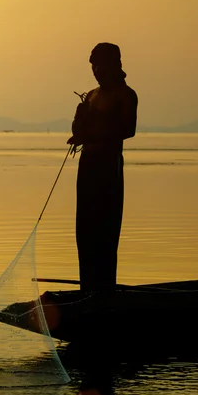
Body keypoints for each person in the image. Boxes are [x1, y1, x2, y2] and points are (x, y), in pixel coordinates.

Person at [67, 43, 138, 293]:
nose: (96, 70)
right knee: (84, 228)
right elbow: (79, 132)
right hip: (87, 167)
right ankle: (88, 287)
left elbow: (127, 129)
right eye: (93, 65)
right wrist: (79, 122)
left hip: (108, 167)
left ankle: (104, 289)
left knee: (104, 228)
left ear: (115, 64)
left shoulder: (125, 94)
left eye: (100, 64)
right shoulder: (91, 95)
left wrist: (92, 134)